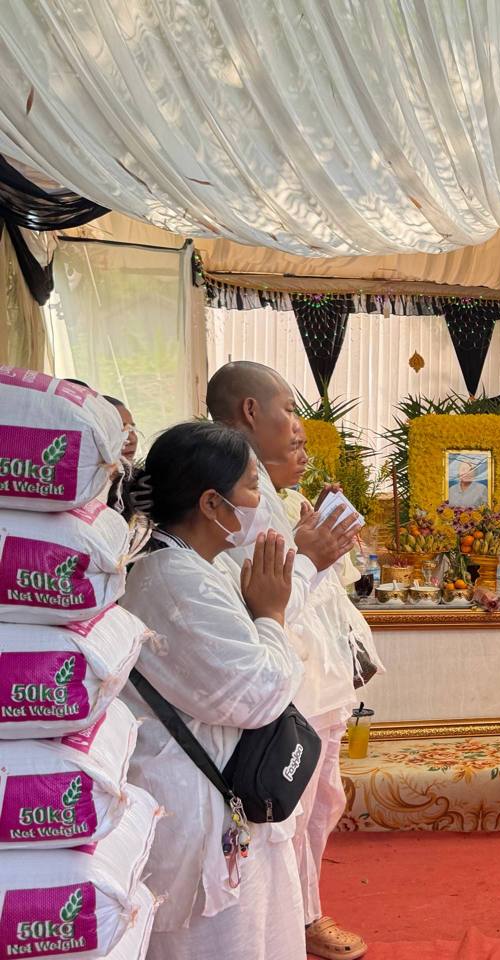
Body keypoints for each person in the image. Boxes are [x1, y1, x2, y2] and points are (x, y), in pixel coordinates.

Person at [118, 420, 306, 960]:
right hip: (199, 800)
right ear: (211, 503)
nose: (260, 503)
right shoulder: (174, 579)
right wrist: (270, 615)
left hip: (223, 791)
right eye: (252, 486)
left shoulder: (197, 564)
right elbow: (256, 694)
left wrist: (264, 613)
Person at [207, 362, 367, 960]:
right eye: (290, 411)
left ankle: (304, 913)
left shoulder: (271, 494)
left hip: (318, 679)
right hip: (285, 686)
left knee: (322, 804)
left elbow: (312, 586)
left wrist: (316, 542)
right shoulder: (234, 495)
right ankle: (298, 922)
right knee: (289, 813)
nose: (300, 428)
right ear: (251, 411)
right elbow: (264, 599)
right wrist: (310, 554)